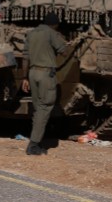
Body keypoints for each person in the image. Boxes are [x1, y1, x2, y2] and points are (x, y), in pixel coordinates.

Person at [21, 12, 68, 155]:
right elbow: (64, 51)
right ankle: (33, 145)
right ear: (55, 24)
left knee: (38, 108)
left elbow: (25, 57)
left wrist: (25, 77)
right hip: (46, 74)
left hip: (32, 73)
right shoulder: (51, 33)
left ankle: (37, 140)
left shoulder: (31, 33)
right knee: (45, 107)